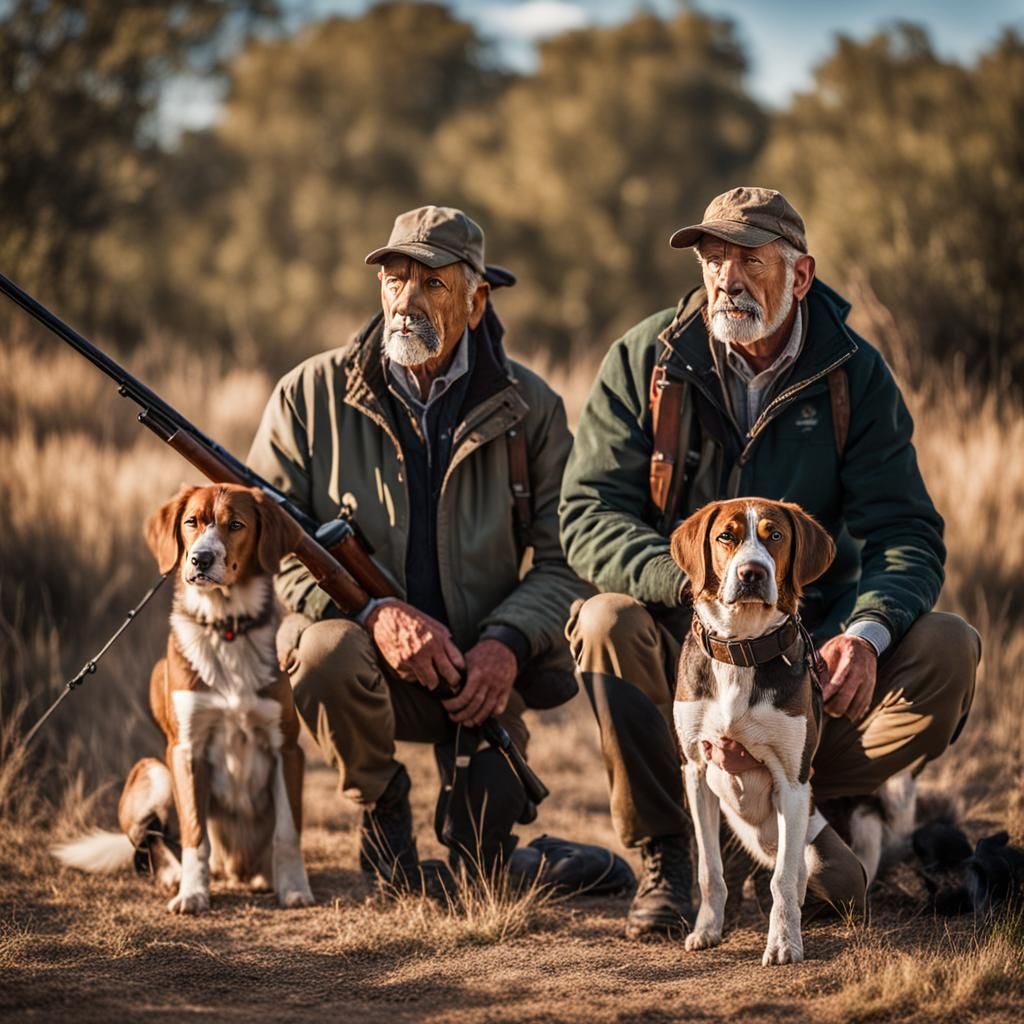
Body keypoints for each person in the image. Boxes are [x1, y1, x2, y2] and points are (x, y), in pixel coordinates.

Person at [559, 186, 981, 939]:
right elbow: (587, 512)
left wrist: (868, 633)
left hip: (811, 665)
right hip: (684, 648)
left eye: (749, 259)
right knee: (602, 620)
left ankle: (802, 799)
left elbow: (907, 532)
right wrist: (689, 587)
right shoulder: (647, 361)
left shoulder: (856, 374)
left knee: (949, 645)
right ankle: (671, 852)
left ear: (801, 274)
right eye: (713, 257)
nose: (725, 276)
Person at [248, 205, 589, 893]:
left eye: (431, 283)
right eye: (393, 279)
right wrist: (376, 615)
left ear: (477, 296)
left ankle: (516, 850)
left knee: (481, 872)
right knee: (319, 652)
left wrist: (507, 643)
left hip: (482, 681)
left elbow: (568, 558)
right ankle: (382, 811)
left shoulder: (535, 408)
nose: (405, 300)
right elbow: (273, 545)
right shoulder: (309, 395)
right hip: (369, 670)